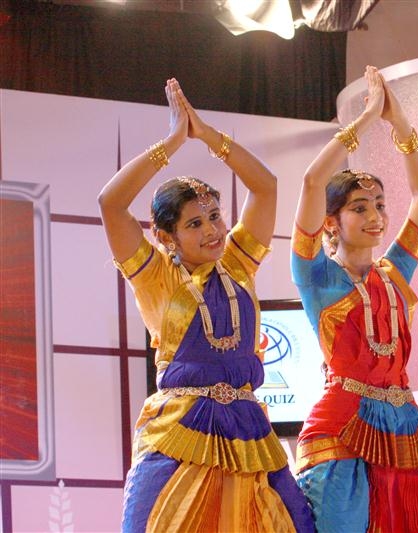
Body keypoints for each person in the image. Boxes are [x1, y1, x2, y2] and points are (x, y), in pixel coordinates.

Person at [98, 78, 314, 532]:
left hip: (248, 430)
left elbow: (266, 187)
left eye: (215, 216)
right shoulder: (157, 276)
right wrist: (172, 142)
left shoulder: (237, 264)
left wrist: (208, 136)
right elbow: (111, 203)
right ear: (166, 236)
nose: (213, 230)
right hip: (180, 434)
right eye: (195, 224)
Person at [290, 66, 418, 533]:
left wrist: (400, 123)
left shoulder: (395, 272)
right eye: (359, 207)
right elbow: (312, 183)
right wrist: (367, 117)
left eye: (378, 205)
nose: (375, 216)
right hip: (341, 427)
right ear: (330, 222)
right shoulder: (315, 276)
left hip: (403, 426)